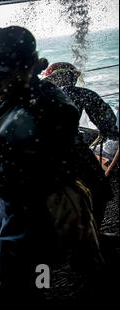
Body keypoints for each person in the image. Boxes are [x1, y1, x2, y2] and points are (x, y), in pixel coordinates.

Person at [0, 26, 105, 300]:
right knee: (1, 248)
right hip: (14, 206)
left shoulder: (43, 108)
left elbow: (21, 170)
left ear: (26, 68)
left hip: (36, 211)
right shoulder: (21, 97)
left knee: (35, 274)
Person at [43, 62, 115, 227]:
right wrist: (109, 131)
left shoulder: (36, 97)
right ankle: (93, 231)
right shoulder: (81, 93)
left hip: (41, 158)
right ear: (69, 77)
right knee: (99, 191)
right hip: (73, 152)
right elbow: (108, 126)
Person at [43, 62, 119, 141]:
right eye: (74, 76)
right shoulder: (81, 94)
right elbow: (108, 126)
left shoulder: (38, 94)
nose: (75, 79)